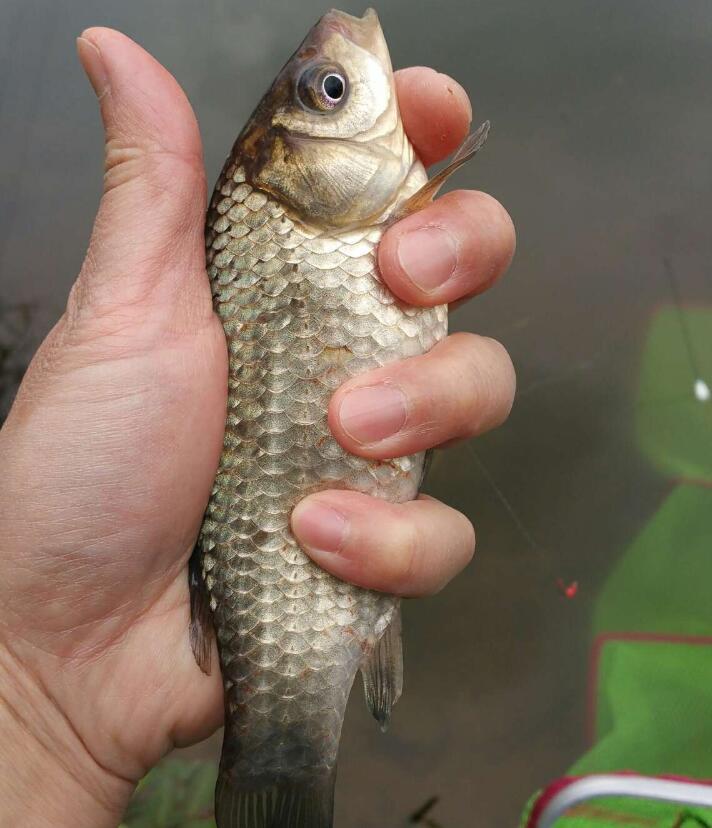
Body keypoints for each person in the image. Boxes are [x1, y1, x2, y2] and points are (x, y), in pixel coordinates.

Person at [0, 28, 516, 827]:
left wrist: (40, 711)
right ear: (287, 171)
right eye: (330, 93)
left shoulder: (330, 215)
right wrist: (32, 696)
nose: (348, 69)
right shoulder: (311, 218)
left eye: (328, 90)